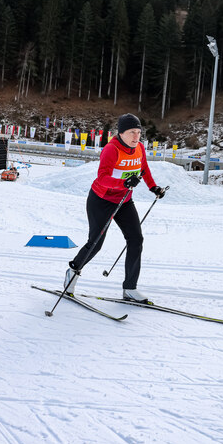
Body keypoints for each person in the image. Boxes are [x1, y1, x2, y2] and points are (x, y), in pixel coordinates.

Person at [65, 113, 166, 303]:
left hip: (124, 201)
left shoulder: (139, 148)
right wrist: (124, 183)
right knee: (96, 243)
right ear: (121, 133)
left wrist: (153, 187)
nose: (136, 136)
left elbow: (144, 169)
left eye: (138, 132)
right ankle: (73, 272)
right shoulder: (111, 149)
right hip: (101, 200)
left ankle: (130, 288)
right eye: (131, 132)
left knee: (136, 239)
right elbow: (102, 177)